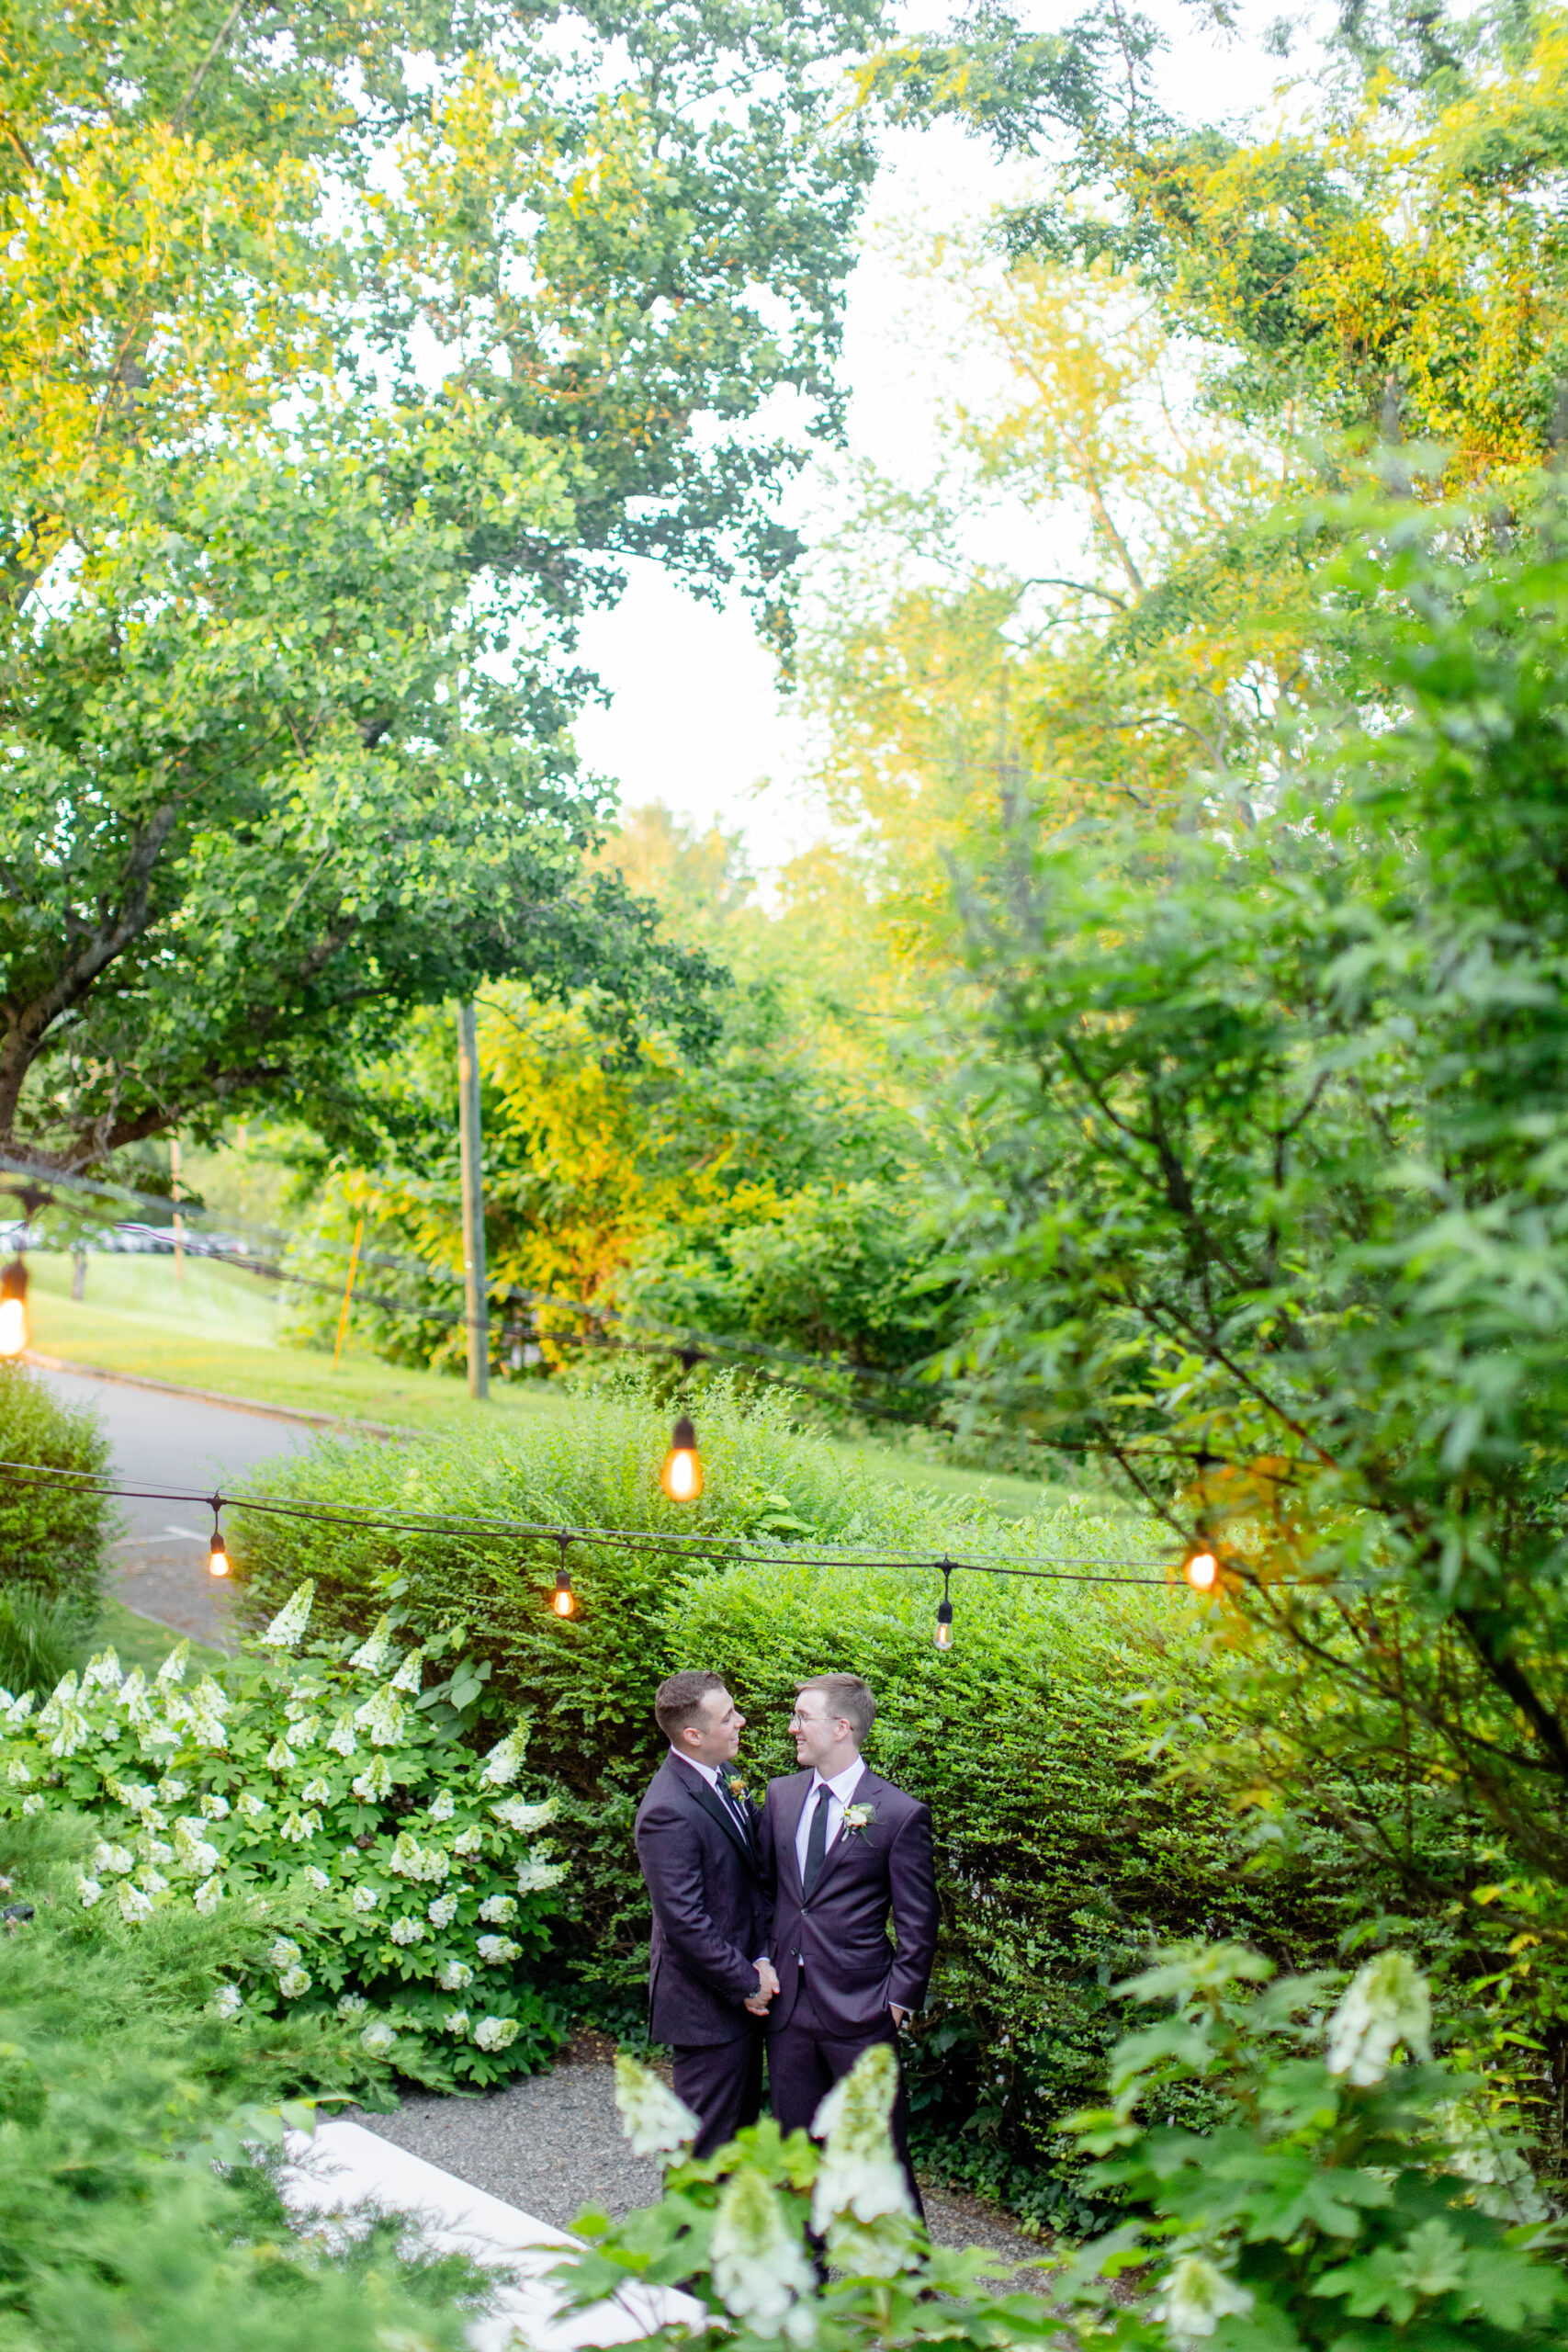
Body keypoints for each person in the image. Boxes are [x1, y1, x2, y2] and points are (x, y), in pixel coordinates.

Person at [759, 1672, 937, 2214]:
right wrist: (762, 1960)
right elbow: (767, 1892)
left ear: (842, 1727)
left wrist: (898, 2002)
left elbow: (919, 1918)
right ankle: (801, 2281)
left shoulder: (899, 1813)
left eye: (802, 1717)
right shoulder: (781, 1796)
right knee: (798, 2154)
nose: (792, 1728)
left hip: (862, 2012)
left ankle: (909, 2287)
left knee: (881, 2156)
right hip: (788, 2009)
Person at [633, 1668, 780, 2157]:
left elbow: (750, 1876)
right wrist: (746, 1982)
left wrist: (762, 1955)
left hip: (742, 1981)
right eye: (728, 1717)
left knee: (736, 2139)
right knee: (703, 2148)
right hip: (707, 2006)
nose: (741, 1721)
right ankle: (686, 2235)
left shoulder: (727, 1775)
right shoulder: (666, 1811)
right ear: (692, 1735)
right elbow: (684, 1921)